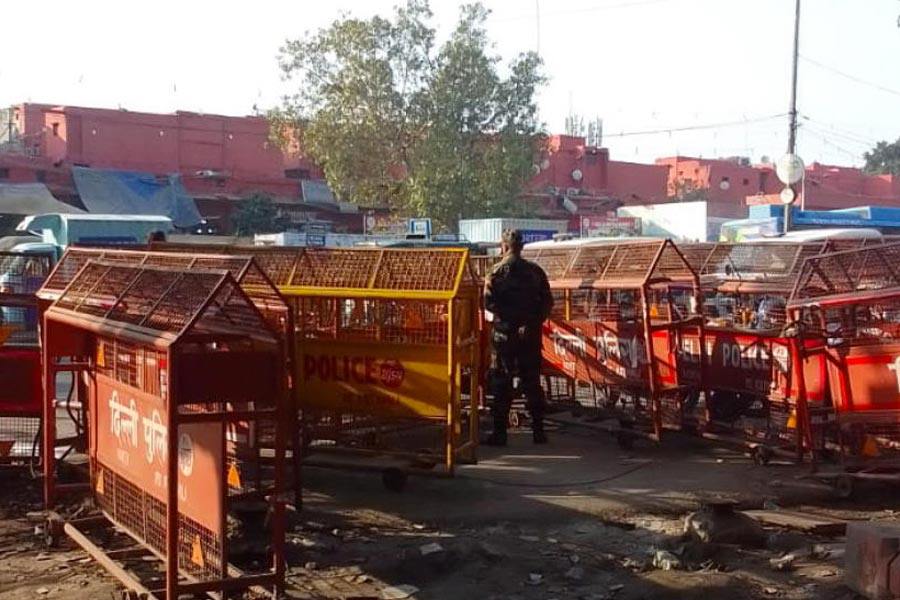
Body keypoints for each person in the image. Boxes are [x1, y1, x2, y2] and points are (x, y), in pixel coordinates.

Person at [483, 229, 553, 445]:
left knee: (501, 382)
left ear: (503, 246)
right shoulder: (536, 272)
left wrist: (508, 320)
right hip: (529, 336)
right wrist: (531, 323)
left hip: (504, 335)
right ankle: (539, 432)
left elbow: (488, 303)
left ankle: (500, 433)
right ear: (521, 247)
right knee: (532, 381)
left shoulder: (495, 272)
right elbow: (547, 303)